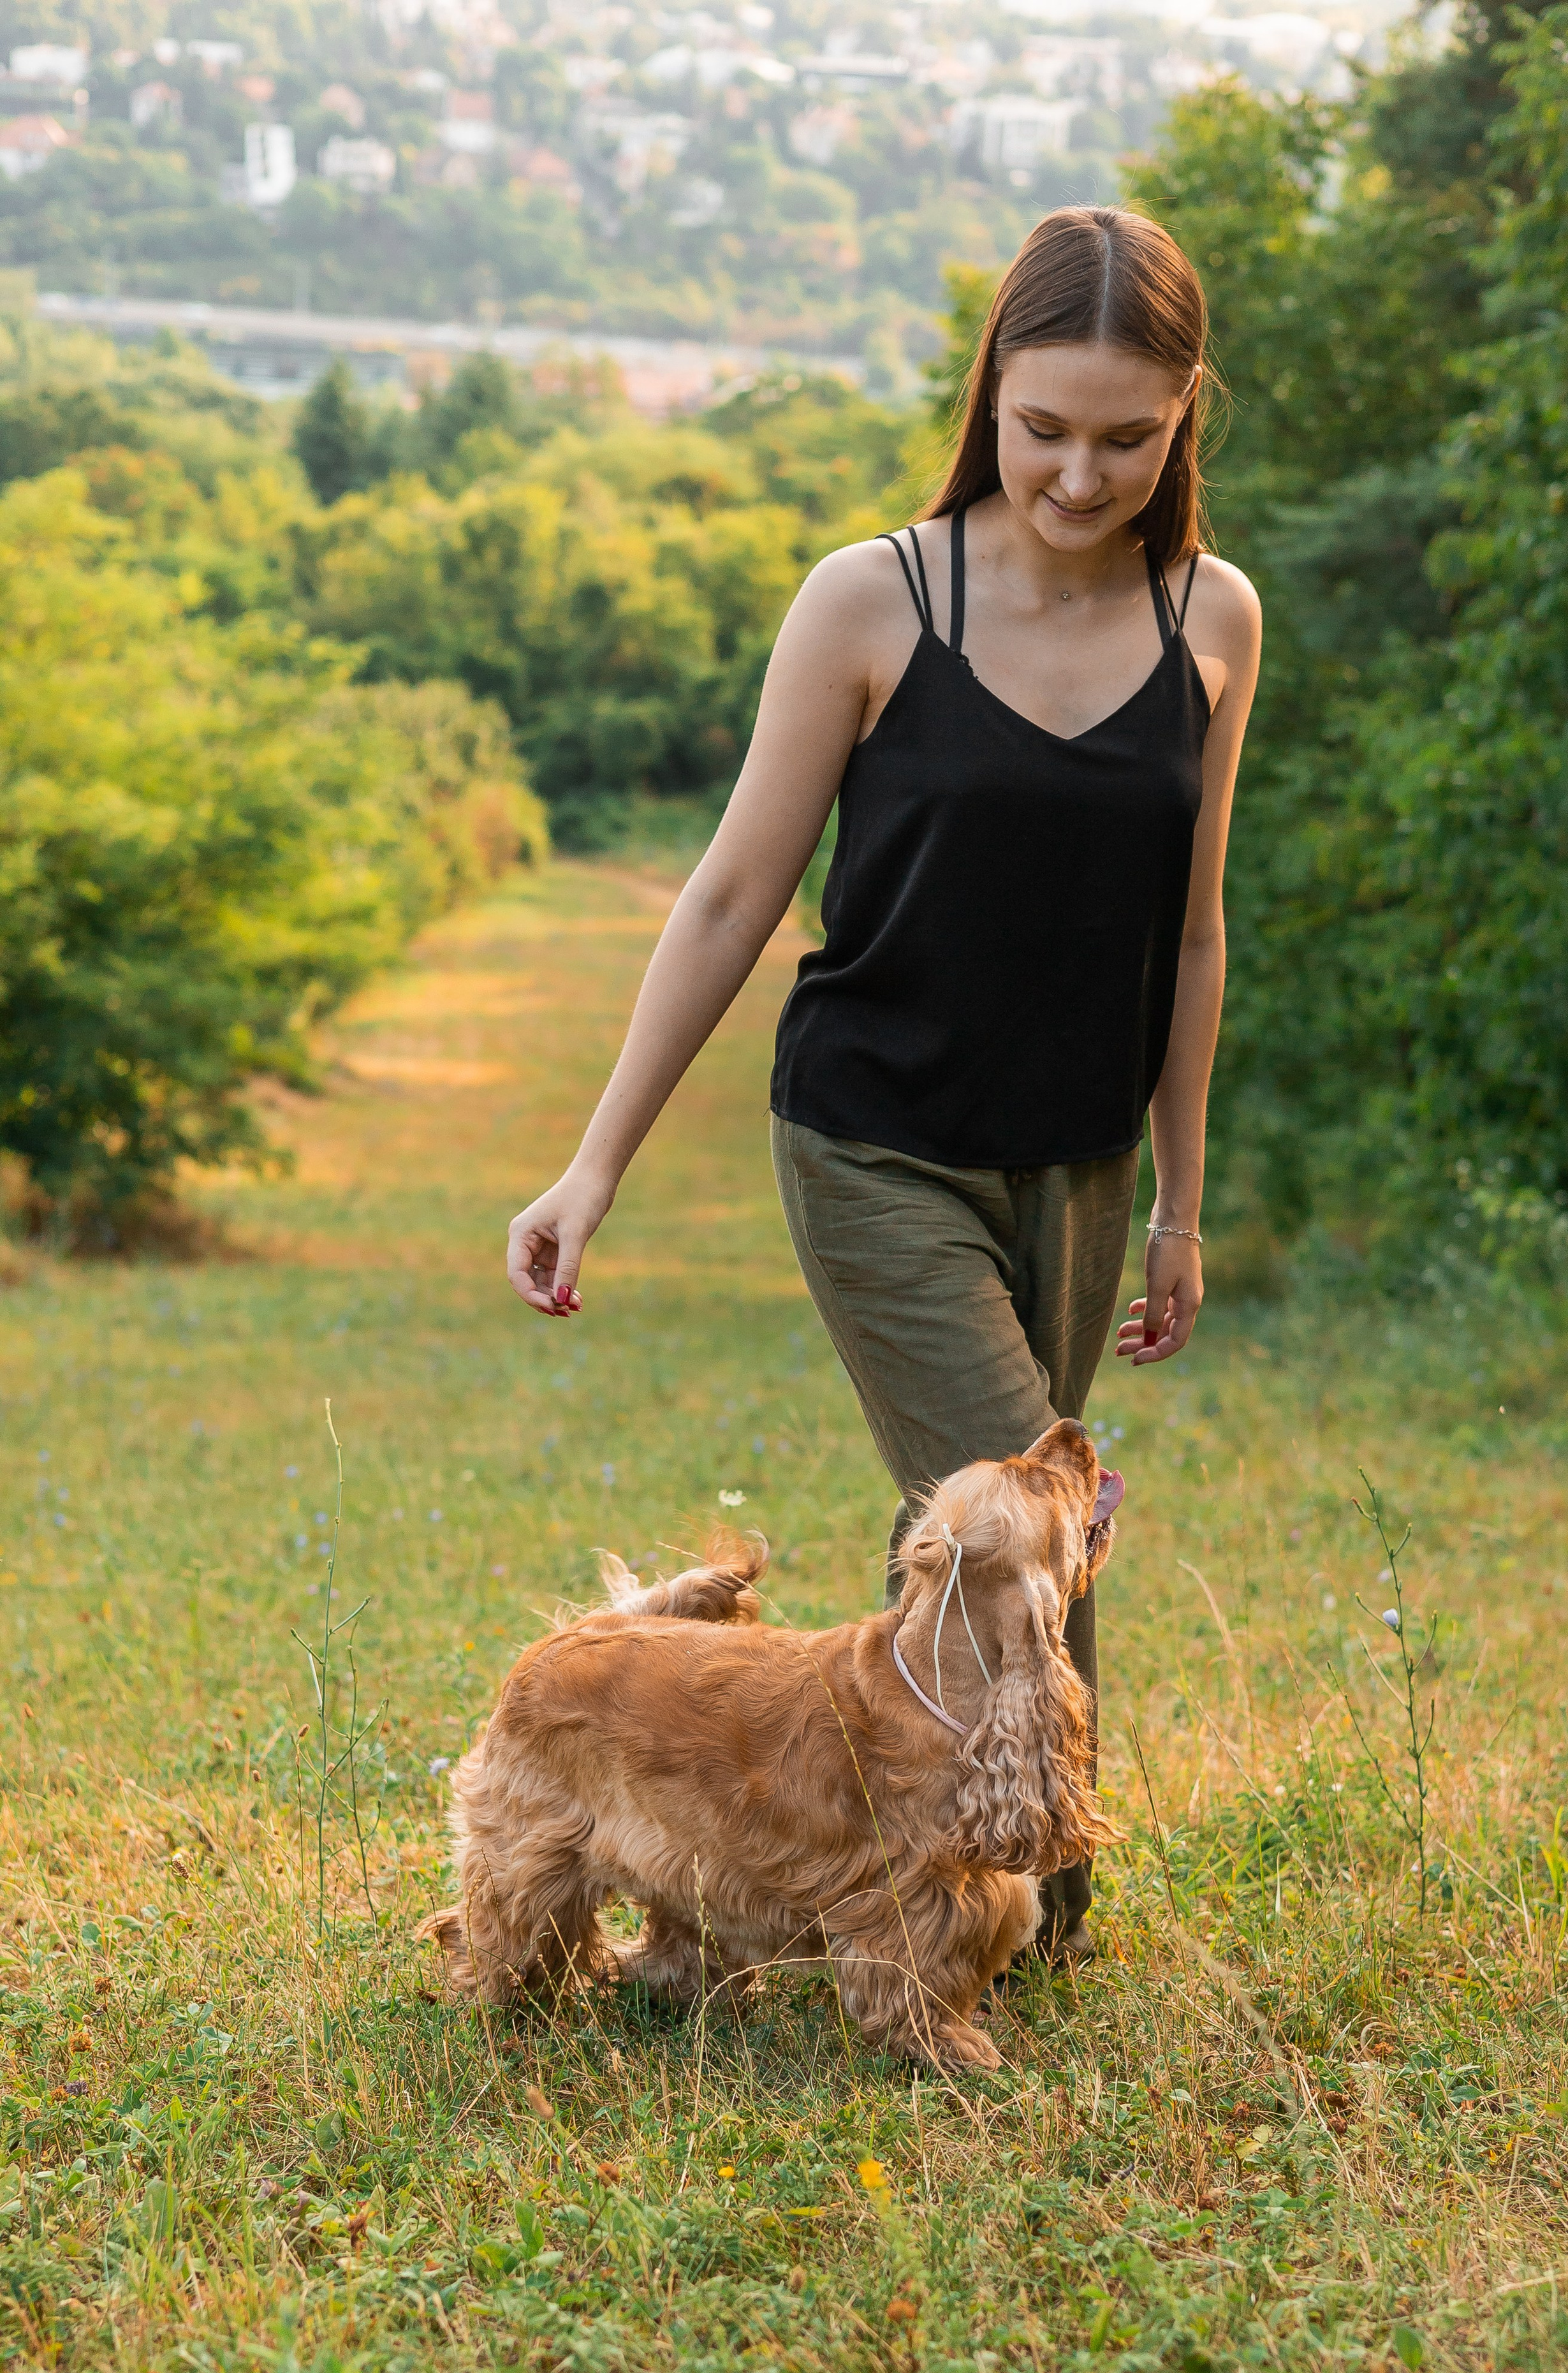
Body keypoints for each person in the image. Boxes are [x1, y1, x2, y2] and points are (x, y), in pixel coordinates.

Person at [505, 205, 1261, 1955]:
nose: (1080, 475)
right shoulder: (875, 601)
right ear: (990, 396)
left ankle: (830, 1880)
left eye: (1129, 438)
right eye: (1044, 428)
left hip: (1078, 1161)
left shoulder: (1212, 615)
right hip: (875, 1143)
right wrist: (593, 1165)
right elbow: (730, 896)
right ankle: (1026, 1918)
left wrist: (1179, 1201)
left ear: (1184, 417)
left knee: (978, 1535)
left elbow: (1195, 935)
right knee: (1020, 1537)